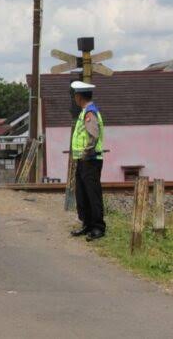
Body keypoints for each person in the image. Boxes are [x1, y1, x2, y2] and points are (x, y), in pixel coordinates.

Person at [69, 81, 106, 241]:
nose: (74, 98)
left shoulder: (89, 113)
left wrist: (86, 152)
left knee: (92, 194)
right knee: (82, 193)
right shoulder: (85, 112)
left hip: (90, 159)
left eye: (75, 95)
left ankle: (98, 227)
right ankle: (87, 224)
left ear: (79, 96)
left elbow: (93, 135)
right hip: (83, 160)